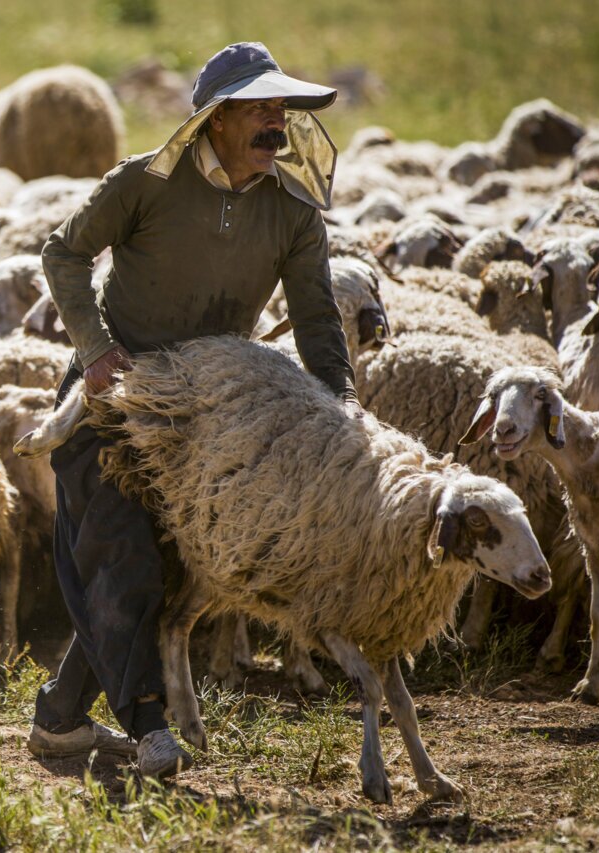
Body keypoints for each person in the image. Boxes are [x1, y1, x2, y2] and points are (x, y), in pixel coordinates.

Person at [26, 42, 359, 779]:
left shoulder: (295, 213)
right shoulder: (144, 183)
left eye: (283, 109)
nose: (279, 123)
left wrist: (342, 410)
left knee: (168, 575)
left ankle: (58, 718)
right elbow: (62, 254)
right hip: (111, 398)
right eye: (262, 109)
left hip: (207, 417)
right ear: (216, 119)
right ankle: (150, 728)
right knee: (123, 554)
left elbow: (316, 320)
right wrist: (96, 350)